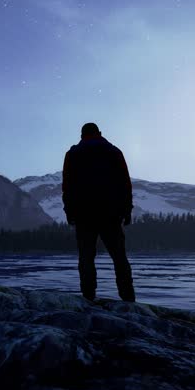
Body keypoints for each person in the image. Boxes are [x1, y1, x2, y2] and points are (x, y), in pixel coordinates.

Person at [62, 122, 135, 302]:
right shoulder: (114, 152)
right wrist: (127, 210)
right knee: (119, 257)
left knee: (86, 257)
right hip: (111, 213)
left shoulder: (72, 154)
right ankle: (128, 299)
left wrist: (69, 212)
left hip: (83, 214)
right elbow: (125, 183)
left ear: (81, 135)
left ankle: (88, 298)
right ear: (100, 133)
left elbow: (67, 187)